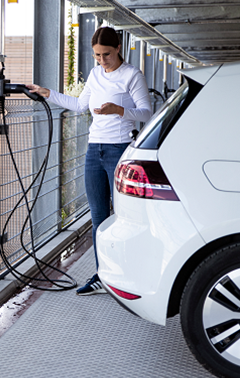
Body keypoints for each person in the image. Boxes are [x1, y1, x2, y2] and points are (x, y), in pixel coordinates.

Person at [27, 26, 152, 296]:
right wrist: (48, 93)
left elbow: (146, 114)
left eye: (106, 54)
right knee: (98, 216)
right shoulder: (95, 75)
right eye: (97, 55)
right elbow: (81, 105)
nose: (102, 60)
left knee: (124, 216)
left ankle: (127, 275)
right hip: (94, 150)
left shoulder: (132, 75)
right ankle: (103, 276)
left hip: (120, 150)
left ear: (118, 48)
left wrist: (118, 109)